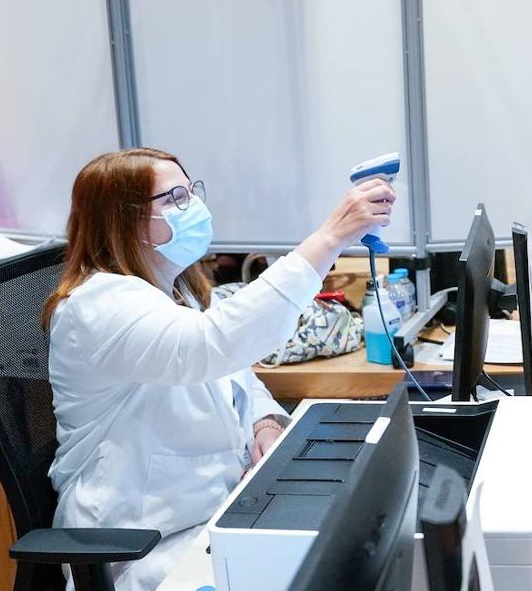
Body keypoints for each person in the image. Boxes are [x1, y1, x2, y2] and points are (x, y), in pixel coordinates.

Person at [43, 147, 395, 591]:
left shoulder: (176, 292)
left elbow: (233, 371)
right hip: (139, 548)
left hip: (211, 518)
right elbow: (211, 346)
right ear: (122, 219)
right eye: (173, 199)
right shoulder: (98, 306)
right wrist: (330, 238)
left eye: (191, 192)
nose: (194, 207)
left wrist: (264, 421)